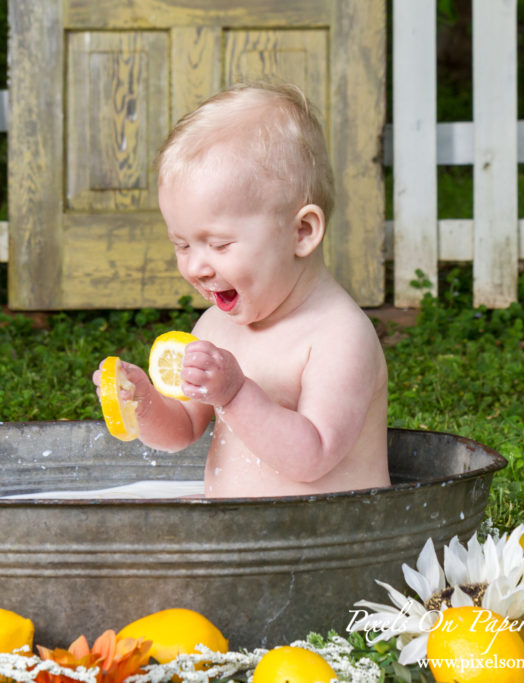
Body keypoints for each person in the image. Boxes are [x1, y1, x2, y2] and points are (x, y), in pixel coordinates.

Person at [93, 82, 389, 497]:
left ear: (301, 232)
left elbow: (313, 456)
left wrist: (236, 394)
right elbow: (184, 428)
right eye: (181, 244)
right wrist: (145, 404)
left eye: (219, 245)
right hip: (238, 544)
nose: (196, 266)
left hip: (328, 542)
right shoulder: (214, 325)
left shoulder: (338, 336)